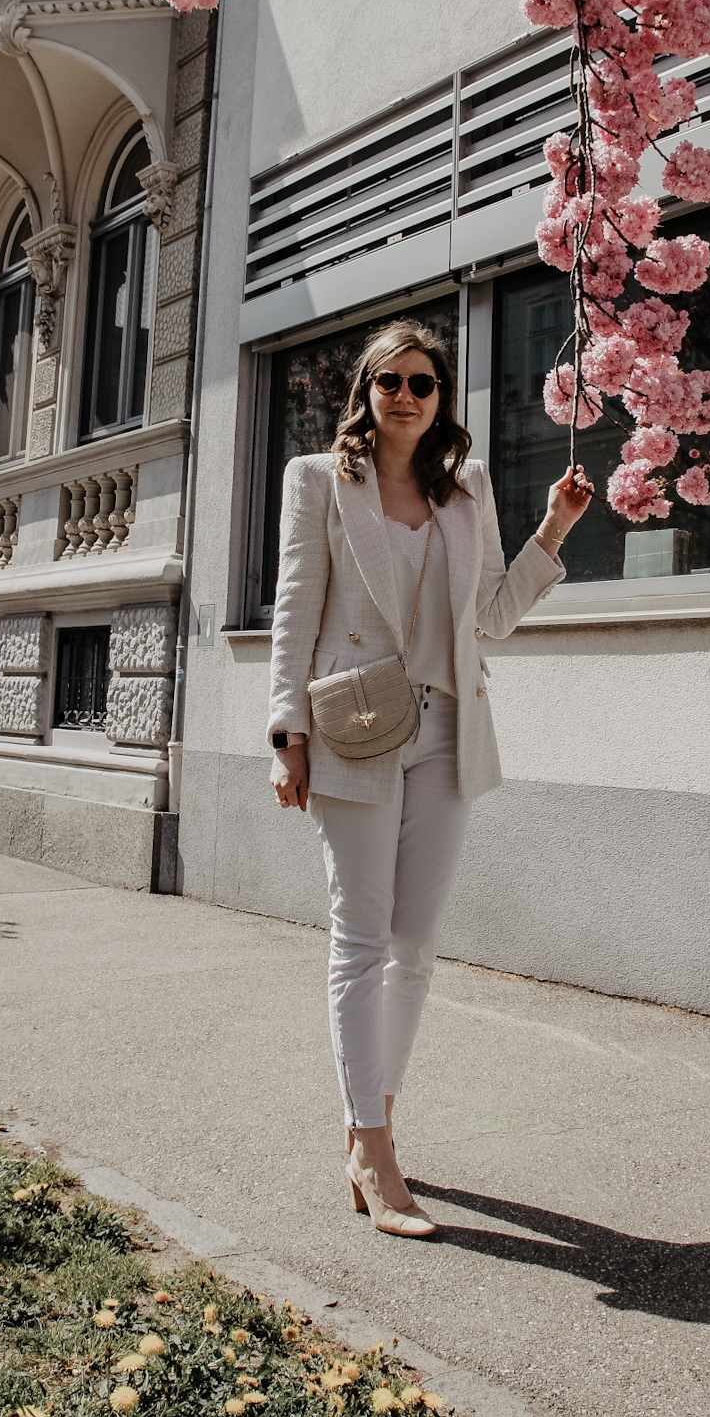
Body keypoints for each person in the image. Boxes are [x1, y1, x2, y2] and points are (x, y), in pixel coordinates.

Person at [267, 317, 594, 1238]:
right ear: (365, 392)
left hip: (447, 728)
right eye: (389, 381)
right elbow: (296, 607)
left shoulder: (468, 489)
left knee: (414, 946)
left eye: (423, 382)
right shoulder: (318, 480)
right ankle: (373, 1153)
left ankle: (373, 1117)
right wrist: (285, 732)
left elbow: (490, 617)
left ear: (441, 398)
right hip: (355, 727)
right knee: (361, 939)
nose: (406, 395)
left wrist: (552, 531)